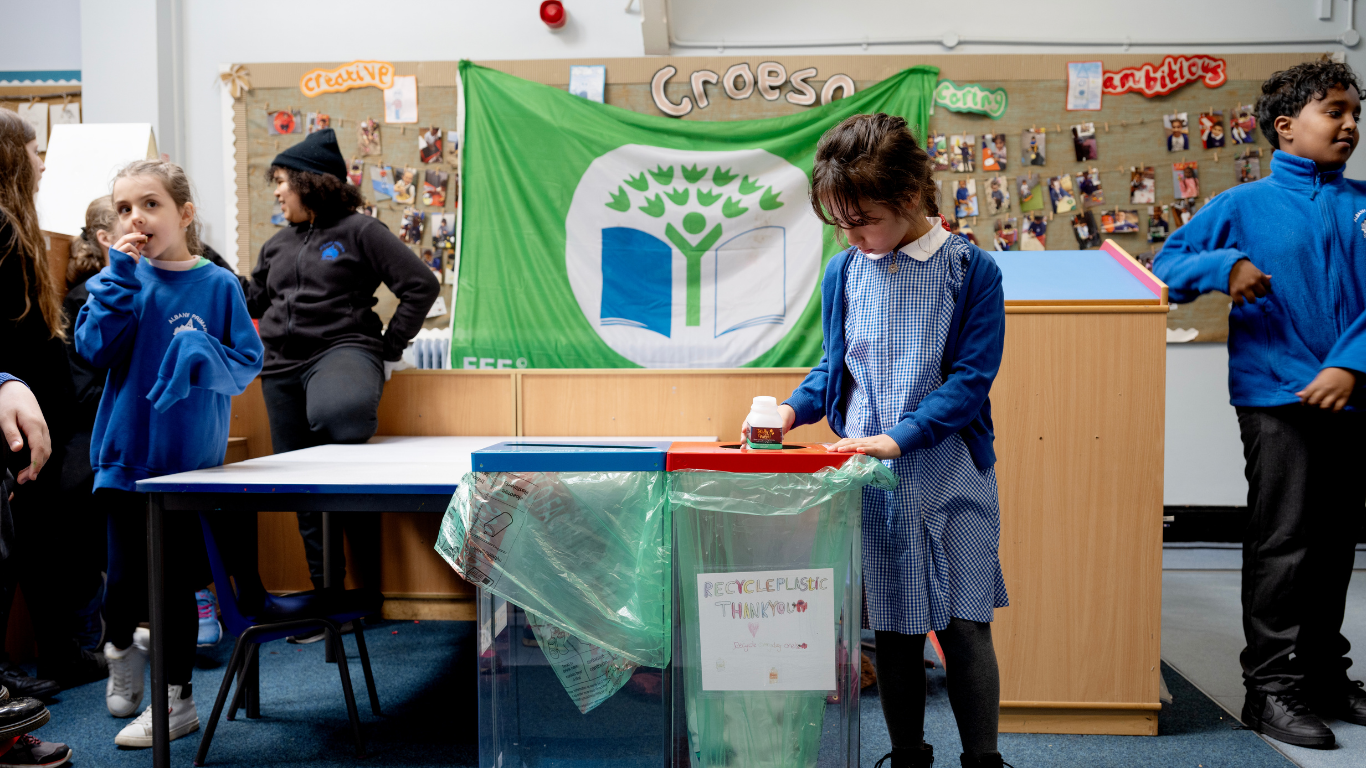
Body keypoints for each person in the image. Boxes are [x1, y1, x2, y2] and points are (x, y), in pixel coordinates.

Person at [744, 113, 1011, 768]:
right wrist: (787, 410)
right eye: (841, 223)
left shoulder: (971, 271)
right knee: (892, 628)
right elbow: (837, 370)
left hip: (950, 474)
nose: (854, 235)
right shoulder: (844, 273)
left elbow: (970, 381)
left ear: (911, 197)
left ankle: (983, 761)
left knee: (964, 625)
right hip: (870, 479)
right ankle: (907, 756)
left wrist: (900, 437)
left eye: (863, 219)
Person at [1153, 60, 1366, 750]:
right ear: (1286, 126)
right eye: (1334, 111)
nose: (1351, 124)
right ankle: (1271, 690)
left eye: (1355, 112)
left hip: (1352, 400)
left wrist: (1350, 364)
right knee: (1285, 544)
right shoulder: (1241, 206)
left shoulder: (1364, 205)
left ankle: (1327, 678)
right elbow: (1165, 269)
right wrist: (1225, 268)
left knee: (1336, 545)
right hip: (1275, 399)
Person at [75, 159, 264, 748]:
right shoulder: (123, 280)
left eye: (150, 204)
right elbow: (92, 349)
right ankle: (120, 649)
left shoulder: (217, 285)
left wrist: (203, 350)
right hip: (124, 457)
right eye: (124, 209)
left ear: (184, 213)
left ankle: (176, 700)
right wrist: (117, 279)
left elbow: (246, 364)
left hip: (186, 469)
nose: (137, 217)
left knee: (174, 585)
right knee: (125, 584)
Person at [249, 129, 438, 640]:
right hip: (281, 368)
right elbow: (251, 302)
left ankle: (371, 594)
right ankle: (329, 603)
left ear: (310, 183)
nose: (277, 192)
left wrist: (388, 347)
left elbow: (421, 285)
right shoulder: (276, 244)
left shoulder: (359, 231)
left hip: (343, 350)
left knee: (340, 419)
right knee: (302, 487)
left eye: (282, 182)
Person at [0, 110, 109, 695]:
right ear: (11, 156)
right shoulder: (2, 227)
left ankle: (60, 653)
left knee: (43, 540)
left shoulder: (22, 226)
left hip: (43, 410)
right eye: (34, 149)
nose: (43, 161)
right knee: (15, 544)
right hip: (17, 411)